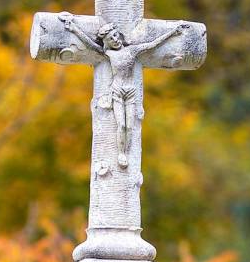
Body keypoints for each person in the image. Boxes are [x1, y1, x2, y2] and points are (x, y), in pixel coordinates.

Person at [58, 13, 187, 167]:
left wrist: (173, 32)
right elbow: (90, 44)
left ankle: (126, 151)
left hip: (131, 92)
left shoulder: (132, 51)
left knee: (130, 126)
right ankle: (121, 153)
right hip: (117, 91)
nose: (115, 39)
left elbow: (153, 44)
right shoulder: (109, 53)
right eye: (111, 39)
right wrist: (73, 28)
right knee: (122, 125)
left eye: (115, 35)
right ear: (107, 43)